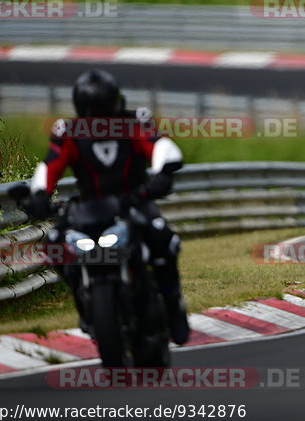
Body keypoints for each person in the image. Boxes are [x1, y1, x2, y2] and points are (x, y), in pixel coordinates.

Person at [26, 69, 189, 344]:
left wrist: (162, 174)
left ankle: (174, 308)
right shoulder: (68, 133)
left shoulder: (134, 122)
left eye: (103, 108)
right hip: (89, 209)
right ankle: (81, 297)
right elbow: (49, 165)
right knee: (54, 244)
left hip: (135, 202)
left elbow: (160, 146)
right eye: (94, 111)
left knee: (162, 238)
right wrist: (40, 194)